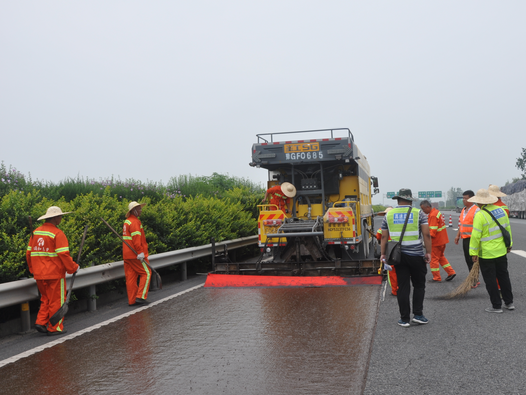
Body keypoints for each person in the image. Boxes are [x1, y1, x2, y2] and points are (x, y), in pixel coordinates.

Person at [380, 189, 432, 327]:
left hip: (398, 256)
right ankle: (418, 315)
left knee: (403, 287)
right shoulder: (418, 213)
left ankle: (404, 319)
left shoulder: (389, 214)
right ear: (410, 200)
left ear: (398, 200)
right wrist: (428, 252)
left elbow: (384, 237)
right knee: (419, 285)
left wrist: (383, 254)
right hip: (416, 256)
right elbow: (426, 235)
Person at [26, 206, 79, 335]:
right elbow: (64, 255)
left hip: (39, 274)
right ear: (55, 218)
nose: (61, 218)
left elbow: (28, 254)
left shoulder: (36, 232)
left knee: (46, 298)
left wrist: (33, 269)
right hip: (55, 274)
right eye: (60, 216)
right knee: (57, 300)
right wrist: (73, 268)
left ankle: (41, 322)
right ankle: (54, 327)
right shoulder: (57, 233)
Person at [468, 188, 514, 313]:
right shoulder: (501, 211)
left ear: (480, 202)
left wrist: (473, 253)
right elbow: (507, 229)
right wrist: (509, 244)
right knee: (504, 276)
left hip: (487, 254)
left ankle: (496, 306)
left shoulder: (480, 215)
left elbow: (476, 236)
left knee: (490, 280)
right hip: (501, 251)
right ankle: (509, 302)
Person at [123, 201, 152, 306]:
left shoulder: (127, 221)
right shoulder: (135, 222)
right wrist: (140, 253)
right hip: (136, 254)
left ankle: (132, 300)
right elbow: (136, 239)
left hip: (127, 255)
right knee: (147, 273)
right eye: (139, 209)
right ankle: (141, 296)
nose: (141, 210)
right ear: (134, 211)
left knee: (131, 277)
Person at [419, 200, 456, 282]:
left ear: (428, 207)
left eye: (423, 209)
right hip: (442, 241)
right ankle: (451, 272)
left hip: (436, 242)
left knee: (433, 259)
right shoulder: (436, 212)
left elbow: (432, 232)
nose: (423, 211)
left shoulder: (432, 215)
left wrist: (425, 241)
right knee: (441, 257)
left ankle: (437, 277)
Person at [454, 190, 480, 283]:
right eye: (463, 198)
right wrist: (457, 236)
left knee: (473, 259)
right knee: (467, 259)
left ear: (472, 199)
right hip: (465, 238)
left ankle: (474, 279)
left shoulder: (476, 210)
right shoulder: (463, 210)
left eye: (465, 198)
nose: (463, 200)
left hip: (473, 239)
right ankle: (472, 277)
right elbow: (461, 224)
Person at [376, 207, 398, 296]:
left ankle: (395, 291)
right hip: (399, 249)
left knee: (392, 272)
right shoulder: (398, 224)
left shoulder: (384, 226)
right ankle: (402, 288)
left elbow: (378, 236)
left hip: (390, 250)